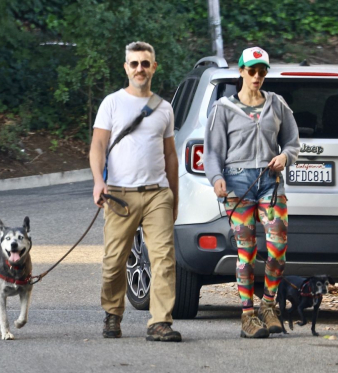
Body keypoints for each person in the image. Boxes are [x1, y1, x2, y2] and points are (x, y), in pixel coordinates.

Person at [204, 46, 300, 338]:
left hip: (270, 182)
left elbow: (293, 143)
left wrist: (285, 158)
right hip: (237, 184)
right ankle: (247, 315)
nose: (257, 76)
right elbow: (212, 153)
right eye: (251, 70)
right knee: (246, 251)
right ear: (242, 71)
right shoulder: (224, 108)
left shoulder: (277, 104)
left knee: (277, 248)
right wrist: (216, 178)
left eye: (262, 71)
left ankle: (269, 306)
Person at [89, 41, 181, 342]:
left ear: (154, 67)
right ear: (126, 68)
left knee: (164, 259)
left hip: (157, 194)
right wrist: (98, 182)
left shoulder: (164, 108)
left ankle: (159, 322)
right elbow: (98, 146)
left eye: (145, 63)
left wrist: (174, 196)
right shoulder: (111, 103)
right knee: (114, 260)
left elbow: (170, 155)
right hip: (119, 194)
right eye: (134, 63)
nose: (140, 68)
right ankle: (113, 313)